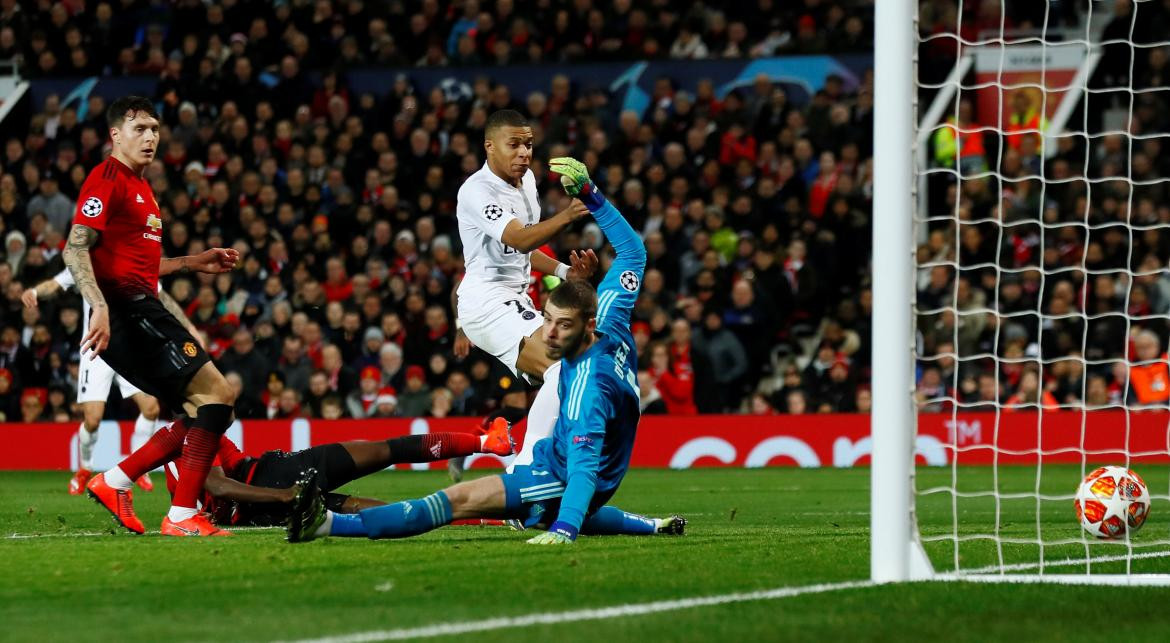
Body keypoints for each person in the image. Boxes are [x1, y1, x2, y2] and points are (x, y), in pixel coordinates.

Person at [287, 158, 685, 543]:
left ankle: (330, 526)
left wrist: (566, 528)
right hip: (576, 468)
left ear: (586, 327)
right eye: (546, 319)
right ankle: (650, 525)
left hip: (554, 478)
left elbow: (583, 472)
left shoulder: (584, 385)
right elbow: (634, 251)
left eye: (561, 326)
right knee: (546, 460)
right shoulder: (611, 313)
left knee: (459, 500)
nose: (547, 334)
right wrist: (592, 194)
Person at [61, 96, 241, 537]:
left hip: (138, 305)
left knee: (206, 407)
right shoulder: (108, 178)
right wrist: (100, 306)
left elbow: (136, 265)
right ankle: (178, 514)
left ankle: (118, 482)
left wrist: (192, 262)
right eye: (139, 128)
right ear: (114, 135)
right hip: (128, 310)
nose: (149, 137)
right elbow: (74, 247)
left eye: (155, 129)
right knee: (217, 393)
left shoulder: (142, 189)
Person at [448, 110, 598, 482]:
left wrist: (565, 272)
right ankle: (525, 472)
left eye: (528, 144)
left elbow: (523, 251)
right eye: (513, 144)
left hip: (515, 301)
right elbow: (516, 237)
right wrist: (567, 215)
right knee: (561, 366)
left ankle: (528, 464)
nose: (523, 152)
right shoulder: (477, 190)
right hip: (486, 300)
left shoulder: (526, 182)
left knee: (572, 367)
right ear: (489, 146)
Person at [22, 267, 202, 494]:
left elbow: (163, 298)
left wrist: (190, 327)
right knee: (93, 419)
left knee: (150, 408)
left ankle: (141, 469)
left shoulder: (134, 263)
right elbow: (55, 284)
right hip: (96, 349)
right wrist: (35, 293)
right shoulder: (86, 262)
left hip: (129, 351)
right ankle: (85, 468)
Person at [162, 417, 516, 527]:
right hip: (278, 476)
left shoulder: (175, 445)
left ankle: (490, 519)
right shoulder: (194, 430)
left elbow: (210, 498)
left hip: (262, 507)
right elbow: (219, 486)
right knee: (388, 450)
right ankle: (487, 443)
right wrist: (283, 494)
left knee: (370, 509)